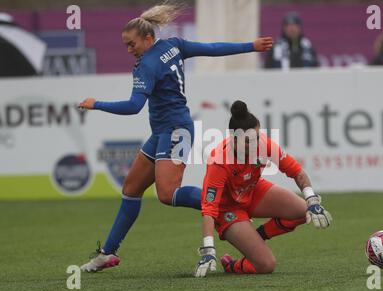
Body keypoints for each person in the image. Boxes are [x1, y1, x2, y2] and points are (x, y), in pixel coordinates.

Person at [78, 3, 273, 272]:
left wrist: (96, 103)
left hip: (176, 131)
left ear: (148, 38)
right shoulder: (175, 45)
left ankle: (222, 202)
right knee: (131, 190)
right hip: (164, 131)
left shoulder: (146, 65)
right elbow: (212, 49)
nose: (129, 50)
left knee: (167, 194)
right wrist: (250, 46)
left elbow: (134, 106)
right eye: (125, 45)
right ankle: (108, 253)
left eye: (131, 44)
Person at [195, 101, 332, 277]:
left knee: (304, 210)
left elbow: (297, 172)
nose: (254, 145)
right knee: (266, 265)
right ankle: (233, 265)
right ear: (233, 140)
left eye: (257, 138)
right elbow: (209, 209)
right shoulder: (219, 161)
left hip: (252, 191)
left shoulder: (264, 144)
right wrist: (208, 250)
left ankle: (259, 235)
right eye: (248, 142)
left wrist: (312, 200)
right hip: (228, 209)